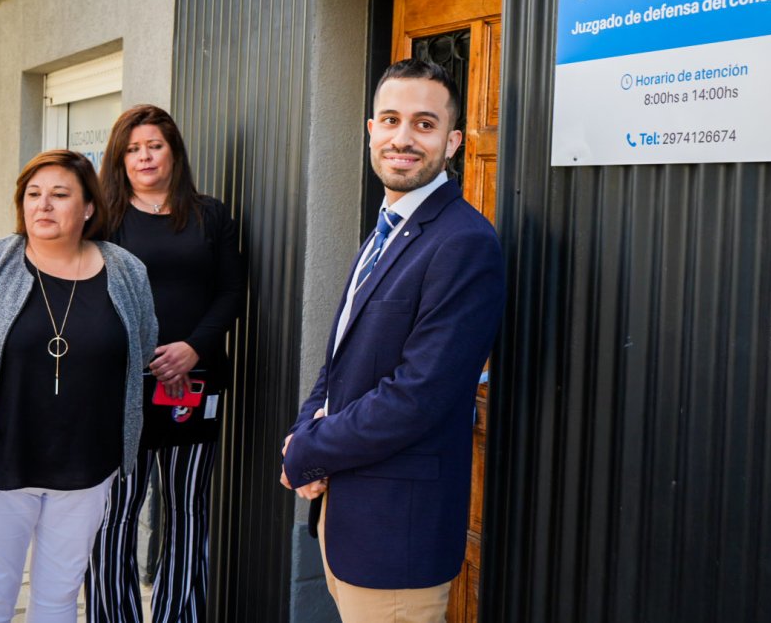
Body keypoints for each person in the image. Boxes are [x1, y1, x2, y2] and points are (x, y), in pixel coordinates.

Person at [280, 59, 505, 623]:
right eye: (390, 120)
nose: (403, 138)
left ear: (452, 142)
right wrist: (306, 429)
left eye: (424, 124)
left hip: (397, 533)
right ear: (370, 130)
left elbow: (418, 396)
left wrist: (310, 450)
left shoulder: (464, 242)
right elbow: (341, 358)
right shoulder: (388, 227)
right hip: (346, 516)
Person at [0, 149, 157, 622]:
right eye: (33, 194)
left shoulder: (127, 270)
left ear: (88, 207)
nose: (43, 205)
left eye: (60, 194)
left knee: (58, 599)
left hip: (87, 466)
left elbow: (143, 344)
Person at [87, 105, 244, 623]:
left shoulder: (210, 215)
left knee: (187, 508)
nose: (145, 157)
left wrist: (193, 348)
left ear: (173, 151)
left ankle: (181, 616)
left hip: (196, 384)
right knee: (115, 512)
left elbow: (230, 291)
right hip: (122, 388)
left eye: (154, 145)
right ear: (119, 158)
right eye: (133, 149)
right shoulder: (104, 219)